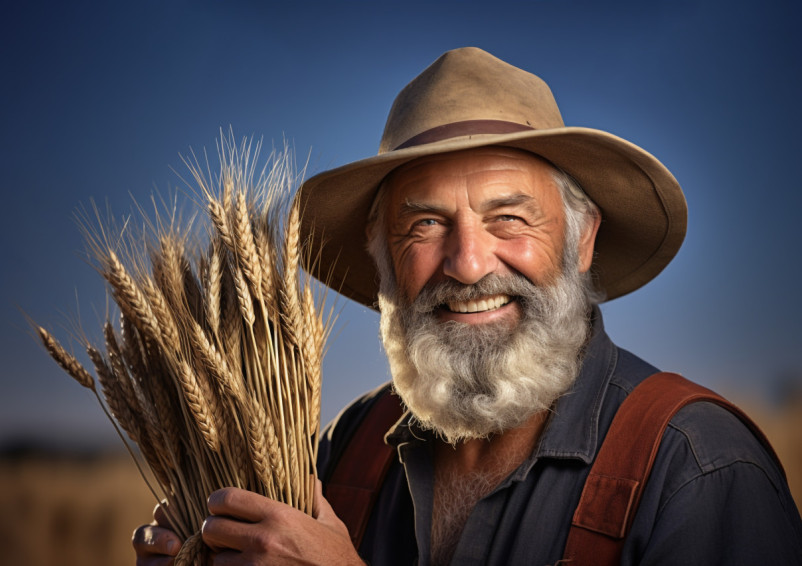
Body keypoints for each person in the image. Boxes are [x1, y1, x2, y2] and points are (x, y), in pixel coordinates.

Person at [133, 47, 802, 565]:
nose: (469, 263)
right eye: (424, 225)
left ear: (584, 237)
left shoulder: (698, 470)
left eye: (509, 218)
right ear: (381, 255)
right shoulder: (344, 449)